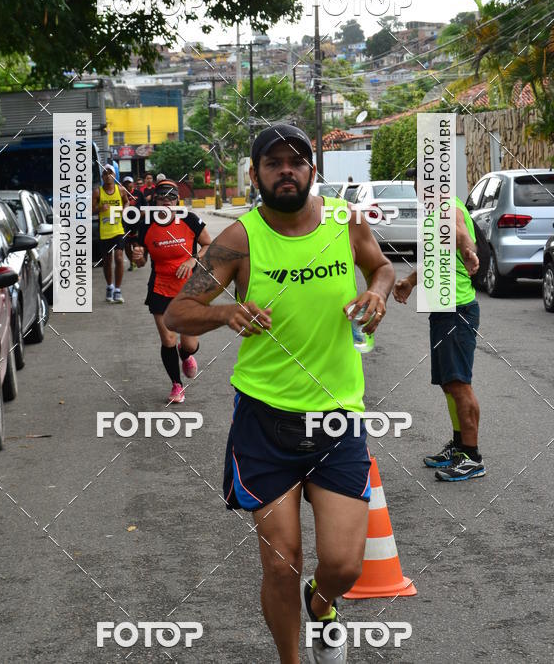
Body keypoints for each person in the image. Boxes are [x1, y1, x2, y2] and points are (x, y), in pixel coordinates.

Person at [164, 123, 395, 664]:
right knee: (280, 562)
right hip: (265, 419)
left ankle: (323, 601)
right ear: (255, 174)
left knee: (344, 565)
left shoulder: (345, 222)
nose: (285, 171)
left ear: (313, 171)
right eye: (273, 163)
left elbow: (381, 267)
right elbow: (178, 311)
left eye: (295, 162)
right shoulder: (240, 239)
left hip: (337, 418)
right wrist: (226, 311)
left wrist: (378, 293)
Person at [393, 165, 484, 481]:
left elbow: (459, 232)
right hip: (443, 309)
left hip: (457, 309)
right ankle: (459, 447)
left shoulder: (448, 207)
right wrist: (409, 281)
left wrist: (468, 251)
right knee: (449, 382)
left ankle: (471, 457)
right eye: (419, 184)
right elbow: (434, 260)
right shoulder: (433, 214)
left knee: (459, 383)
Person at [132, 179, 213, 403]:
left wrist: (192, 260)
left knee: (189, 344)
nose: (166, 202)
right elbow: (140, 260)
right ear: (155, 200)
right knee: (167, 338)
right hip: (160, 287)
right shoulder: (146, 225)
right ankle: (176, 385)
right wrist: (137, 258)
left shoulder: (189, 219)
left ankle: (185, 354)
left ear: (178, 199)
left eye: (171, 197)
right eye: (162, 198)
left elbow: (208, 245)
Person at [92, 165, 129, 303]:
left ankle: (118, 290)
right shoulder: (98, 192)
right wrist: (100, 208)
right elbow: (91, 210)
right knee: (107, 261)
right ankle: (109, 286)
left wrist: (125, 210)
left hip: (118, 229)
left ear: (115, 176)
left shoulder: (121, 190)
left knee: (119, 258)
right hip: (104, 231)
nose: (108, 176)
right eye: (105, 174)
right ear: (102, 177)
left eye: (110, 173)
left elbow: (127, 203)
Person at [122, 175, 140, 271]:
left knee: (136, 243)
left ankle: (137, 261)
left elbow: (144, 206)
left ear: (133, 184)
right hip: (125, 223)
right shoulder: (121, 194)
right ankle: (132, 262)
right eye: (126, 183)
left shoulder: (138, 193)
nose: (128, 184)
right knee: (127, 245)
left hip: (136, 223)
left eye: (129, 182)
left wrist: (142, 215)